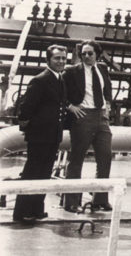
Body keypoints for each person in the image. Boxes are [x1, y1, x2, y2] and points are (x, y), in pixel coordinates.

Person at [13, 44, 66, 223]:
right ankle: (22, 212)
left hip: (52, 135)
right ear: (48, 60)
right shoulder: (40, 80)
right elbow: (26, 108)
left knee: (44, 173)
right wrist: (29, 128)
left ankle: (36, 209)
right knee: (32, 172)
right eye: (57, 58)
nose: (61, 61)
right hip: (39, 135)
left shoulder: (60, 79)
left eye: (63, 58)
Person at [62, 40, 113, 212]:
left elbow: (107, 89)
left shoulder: (103, 69)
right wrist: (70, 107)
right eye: (83, 53)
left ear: (97, 54)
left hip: (101, 117)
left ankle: (100, 199)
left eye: (90, 53)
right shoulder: (71, 71)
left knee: (105, 157)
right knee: (76, 159)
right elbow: (60, 92)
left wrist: (108, 106)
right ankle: (71, 201)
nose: (86, 56)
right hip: (83, 116)